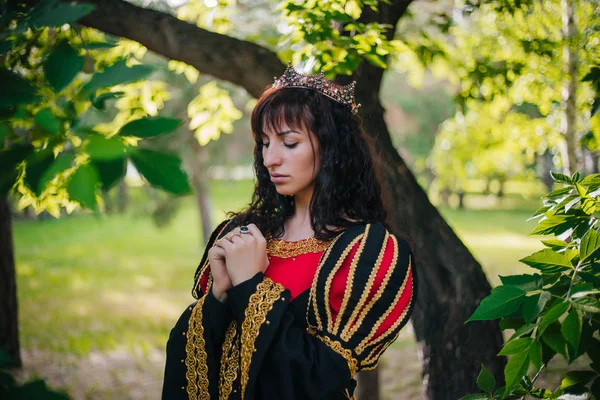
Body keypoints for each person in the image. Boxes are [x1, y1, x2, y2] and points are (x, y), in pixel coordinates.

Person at [161, 64, 417, 400]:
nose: (270, 159)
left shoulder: (366, 253)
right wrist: (220, 295)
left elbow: (321, 379)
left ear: (332, 148)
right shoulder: (244, 233)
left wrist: (252, 287)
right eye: (265, 143)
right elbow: (196, 350)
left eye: (289, 143)